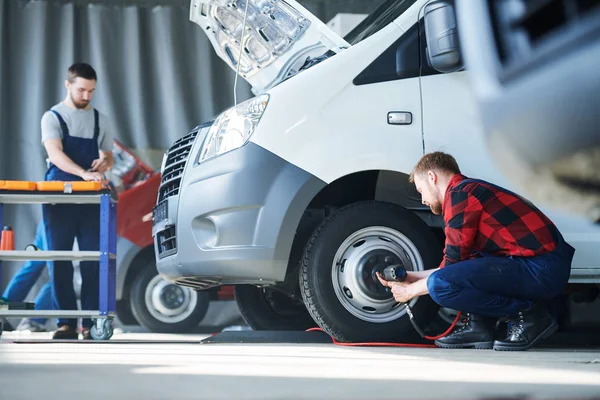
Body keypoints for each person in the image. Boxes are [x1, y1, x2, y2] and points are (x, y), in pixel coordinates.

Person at [377, 152, 575, 351]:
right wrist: (411, 277)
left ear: (432, 177)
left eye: (421, 190)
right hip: (541, 266)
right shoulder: (468, 192)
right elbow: (457, 267)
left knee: (440, 287)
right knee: (459, 271)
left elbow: (449, 272)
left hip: (541, 268)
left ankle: (531, 316)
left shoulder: (461, 195)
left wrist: (411, 290)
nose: (422, 200)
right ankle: (478, 328)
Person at [41, 63, 114, 340]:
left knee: (93, 258)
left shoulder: (100, 119)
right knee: (58, 258)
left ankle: (91, 322)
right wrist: (83, 173)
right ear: (67, 84)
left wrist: (103, 162)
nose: (87, 96)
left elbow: (109, 155)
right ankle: (66, 324)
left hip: (91, 198)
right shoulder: (52, 117)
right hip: (58, 194)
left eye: (91, 91)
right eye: (82, 89)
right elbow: (55, 154)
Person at [0, 221, 55, 332]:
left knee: (32, 266)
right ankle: (33, 320)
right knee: (60, 276)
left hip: (49, 218)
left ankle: (3, 308)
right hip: (62, 219)